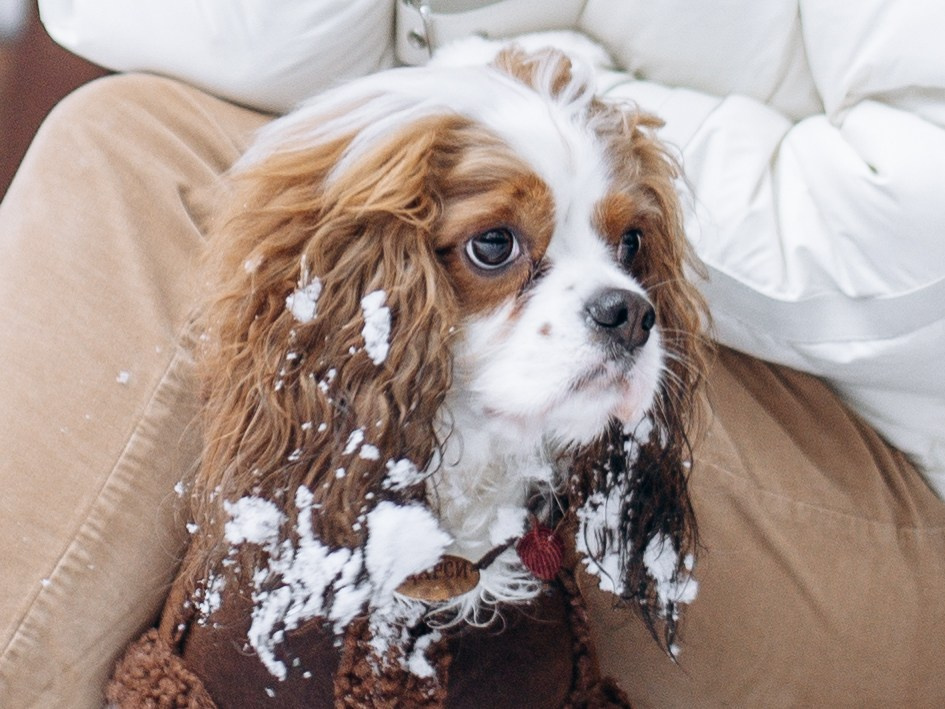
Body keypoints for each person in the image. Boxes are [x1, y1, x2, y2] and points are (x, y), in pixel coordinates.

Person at [1, 1, 943, 706]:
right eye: (498, 246)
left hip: (880, 472)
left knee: (138, 163)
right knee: (130, 135)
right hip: (537, 331)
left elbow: (912, 212)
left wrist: (532, 109)